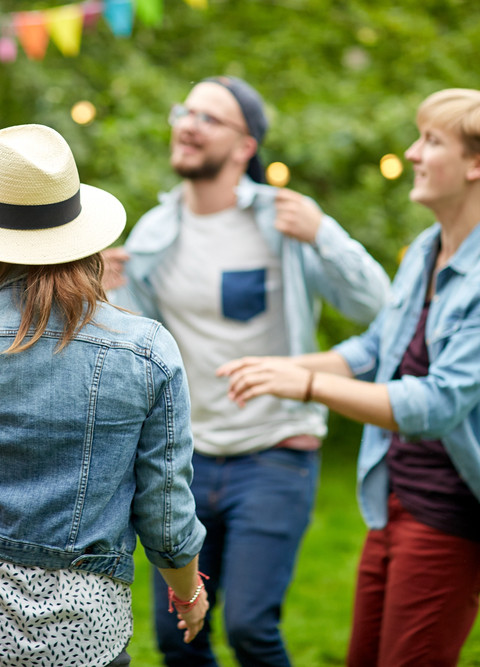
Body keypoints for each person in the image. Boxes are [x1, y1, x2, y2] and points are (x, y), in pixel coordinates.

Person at [0, 124, 208, 667]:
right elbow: (164, 511)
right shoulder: (147, 350)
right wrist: (187, 591)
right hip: (83, 635)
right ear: (81, 233)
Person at [108, 76, 390, 667]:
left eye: (210, 118)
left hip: (275, 451)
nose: (188, 123)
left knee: (249, 627)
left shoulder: (281, 221)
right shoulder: (153, 237)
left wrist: (325, 233)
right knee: (174, 637)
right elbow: (135, 350)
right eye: (184, 110)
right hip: (185, 459)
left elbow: (380, 308)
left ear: (245, 146)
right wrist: (106, 294)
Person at [219, 88, 480, 667]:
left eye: (431, 141)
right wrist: (288, 366)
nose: (412, 153)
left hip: (450, 512)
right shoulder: (425, 253)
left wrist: (307, 388)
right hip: (391, 496)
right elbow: (374, 350)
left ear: (475, 163)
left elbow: (436, 405)